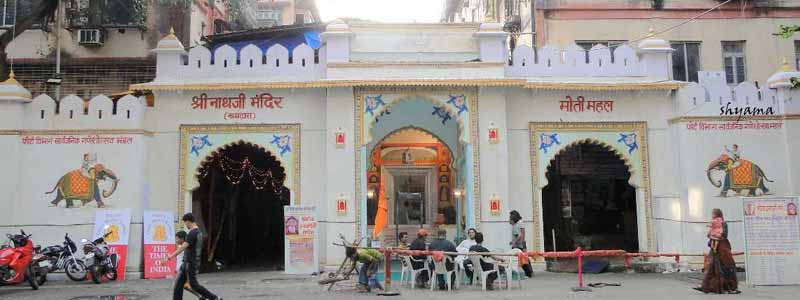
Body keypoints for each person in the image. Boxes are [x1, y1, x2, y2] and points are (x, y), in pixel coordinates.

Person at [161, 213, 222, 300]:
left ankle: (214, 298)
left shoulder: (192, 233)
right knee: (178, 285)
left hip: (191, 263)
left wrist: (169, 257)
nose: (186, 225)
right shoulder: (198, 232)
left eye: (185, 223)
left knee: (194, 285)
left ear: (189, 221)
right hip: (187, 263)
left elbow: (183, 247)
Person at [695, 209, 740, 294]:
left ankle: (731, 288)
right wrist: (712, 234)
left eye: (714, 214)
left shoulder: (724, 223)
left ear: (718, 214)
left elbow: (724, 235)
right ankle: (705, 286)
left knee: (727, 268)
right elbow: (708, 235)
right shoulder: (713, 224)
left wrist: (715, 235)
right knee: (710, 268)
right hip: (714, 249)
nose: (712, 215)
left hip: (723, 249)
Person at [509, 210, 534, 278]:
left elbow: (520, 235)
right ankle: (529, 272)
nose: (509, 218)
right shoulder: (517, 224)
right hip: (519, 244)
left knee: (521, 259)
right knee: (524, 258)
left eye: (510, 217)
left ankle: (528, 273)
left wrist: (516, 242)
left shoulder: (518, 224)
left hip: (519, 245)